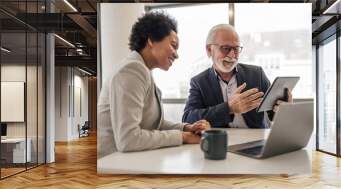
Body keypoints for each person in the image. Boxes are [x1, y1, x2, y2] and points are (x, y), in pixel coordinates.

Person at [98, 12, 210, 158]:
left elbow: (154, 123)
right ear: (151, 40)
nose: (177, 55)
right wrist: (183, 137)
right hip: (112, 163)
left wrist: (187, 127)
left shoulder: (142, 70)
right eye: (173, 45)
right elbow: (128, 139)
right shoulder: (132, 70)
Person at [182, 24, 292, 128]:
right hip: (221, 141)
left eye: (236, 49)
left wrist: (283, 108)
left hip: (256, 140)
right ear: (209, 50)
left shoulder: (256, 74)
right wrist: (228, 108)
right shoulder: (199, 82)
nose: (232, 55)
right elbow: (188, 119)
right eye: (226, 48)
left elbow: (272, 113)